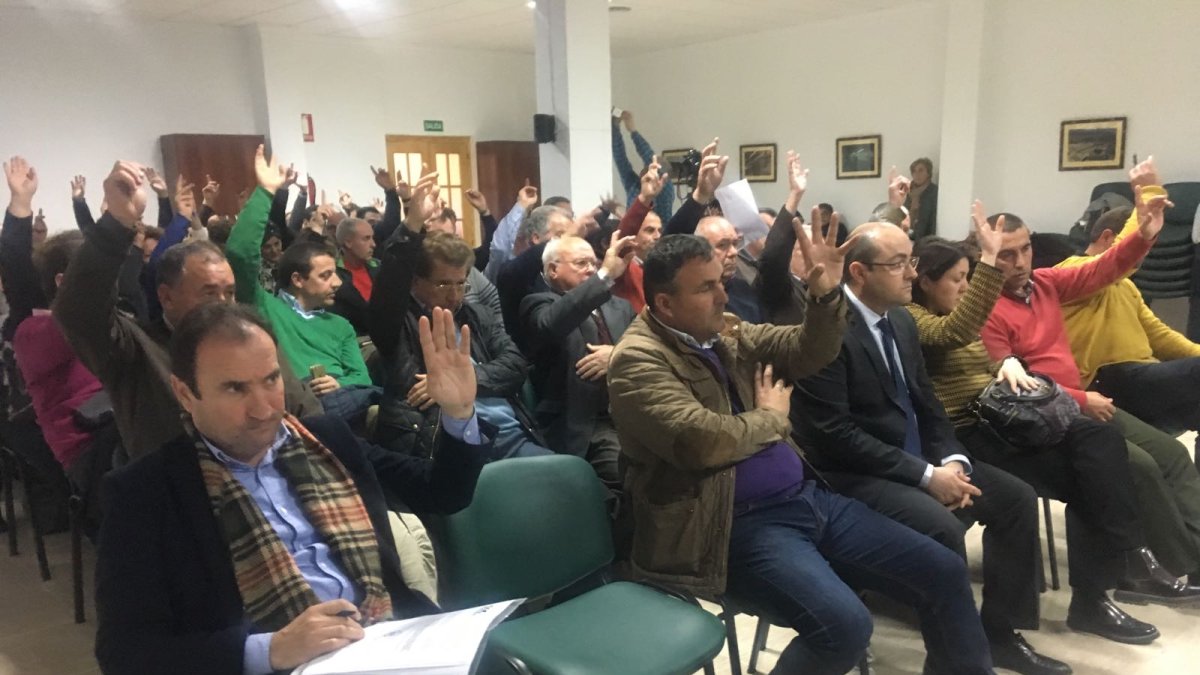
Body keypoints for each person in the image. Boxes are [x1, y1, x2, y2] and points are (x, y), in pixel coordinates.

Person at [608, 231, 995, 674]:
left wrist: (826, 297)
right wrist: (772, 419)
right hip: (727, 525)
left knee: (944, 570)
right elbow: (700, 441)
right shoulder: (637, 361)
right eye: (706, 288)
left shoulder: (723, 332)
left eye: (720, 281)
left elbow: (807, 350)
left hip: (804, 499)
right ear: (664, 305)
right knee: (844, 627)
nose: (723, 294)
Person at [94, 302, 490, 675]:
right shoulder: (145, 493)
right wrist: (270, 649)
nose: (264, 408)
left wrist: (458, 414)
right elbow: (125, 654)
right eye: (235, 389)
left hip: (390, 643)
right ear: (185, 393)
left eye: (271, 380)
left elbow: (444, 492)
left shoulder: (328, 439)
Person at [792, 222, 1070, 674]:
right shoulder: (826, 331)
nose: (911, 275)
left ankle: (999, 633)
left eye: (912, 262)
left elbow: (927, 401)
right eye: (899, 264)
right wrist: (925, 476)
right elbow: (833, 435)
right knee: (942, 527)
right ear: (858, 273)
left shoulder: (900, 320)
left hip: (918, 458)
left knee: (1016, 499)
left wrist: (952, 460)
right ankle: (952, 663)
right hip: (856, 473)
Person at [908, 202, 1179, 645]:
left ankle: (1099, 592)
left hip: (999, 419)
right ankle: (1110, 569)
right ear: (926, 283)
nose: (966, 286)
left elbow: (989, 353)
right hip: (964, 433)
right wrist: (988, 270)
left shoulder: (1023, 292)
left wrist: (1006, 364)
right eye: (958, 279)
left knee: (1098, 451)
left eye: (967, 277)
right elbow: (952, 334)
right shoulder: (917, 317)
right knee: (1041, 491)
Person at [980, 175, 1200, 588]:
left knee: (1171, 453)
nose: (1021, 261)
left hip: (1082, 404)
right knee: (1144, 468)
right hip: (1048, 417)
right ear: (988, 256)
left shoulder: (1044, 284)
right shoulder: (987, 308)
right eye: (1007, 255)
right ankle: (1176, 567)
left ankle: (1195, 560)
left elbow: (1107, 266)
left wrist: (1144, 232)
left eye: (1025, 249)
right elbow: (1015, 386)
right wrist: (1081, 399)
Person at [54, 160, 322, 460]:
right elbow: (79, 310)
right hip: (191, 495)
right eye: (209, 293)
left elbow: (306, 410)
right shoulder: (137, 354)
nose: (223, 304)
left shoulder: (251, 338)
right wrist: (117, 222)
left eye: (230, 293)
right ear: (167, 297)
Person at [370, 171, 548, 461]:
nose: (454, 295)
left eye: (460, 284)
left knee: (571, 479)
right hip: (441, 441)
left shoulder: (473, 313)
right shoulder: (398, 323)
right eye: (443, 284)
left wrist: (465, 379)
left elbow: (515, 365)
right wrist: (413, 221)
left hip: (509, 433)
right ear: (415, 282)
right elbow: (389, 286)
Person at [1056, 164, 1200, 454]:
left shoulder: (1127, 287)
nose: (1142, 257)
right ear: (1108, 238)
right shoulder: (1070, 273)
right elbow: (1117, 259)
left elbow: (1160, 337)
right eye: (1140, 247)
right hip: (1105, 381)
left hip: (1140, 382)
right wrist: (1148, 195)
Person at [227, 146, 378, 423]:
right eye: (325, 275)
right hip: (295, 411)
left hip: (347, 407)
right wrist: (266, 192)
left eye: (335, 273)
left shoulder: (339, 325)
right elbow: (240, 253)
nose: (337, 283)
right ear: (297, 279)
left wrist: (340, 384)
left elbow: (361, 377)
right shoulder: (264, 308)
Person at [519, 233, 636, 487]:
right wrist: (604, 275)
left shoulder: (620, 307)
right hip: (585, 422)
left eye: (594, 263)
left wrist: (617, 356)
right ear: (552, 270)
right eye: (581, 263)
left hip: (631, 413)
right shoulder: (538, 304)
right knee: (629, 473)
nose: (591, 269)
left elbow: (647, 348)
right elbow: (552, 324)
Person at [611, 109, 674, 221]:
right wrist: (615, 127)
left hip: (660, 236)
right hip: (635, 235)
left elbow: (648, 155)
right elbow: (620, 158)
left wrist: (633, 131)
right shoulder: (634, 185)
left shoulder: (665, 188)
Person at [331, 217, 378, 336]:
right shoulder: (333, 276)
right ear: (348, 242)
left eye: (372, 238)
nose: (373, 244)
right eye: (366, 239)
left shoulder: (379, 267)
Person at [905, 157, 938, 239]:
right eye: (914, 171)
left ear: (928, 173)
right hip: (907, 236)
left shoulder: (934, 192)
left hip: (926, 238)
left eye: (921, 170)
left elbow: (933, 219)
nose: (917, 174)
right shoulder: (907, 191)